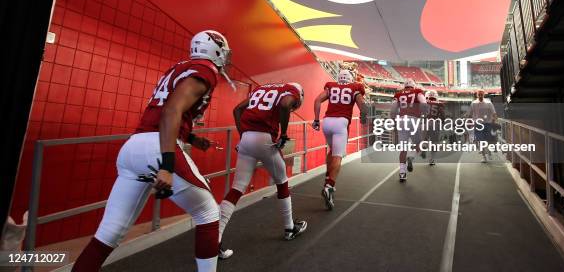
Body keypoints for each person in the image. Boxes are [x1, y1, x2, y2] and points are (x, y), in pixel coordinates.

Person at [73, 30, 234, 272]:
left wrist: (190, 137)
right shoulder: (205, 71)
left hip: (133, 147)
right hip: (157, 147)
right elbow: (170, 112)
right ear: (216, 50)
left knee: (109, 233)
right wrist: (167, 165)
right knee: (208, 212)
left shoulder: (180, 67)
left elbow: (164, 111)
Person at [218, 82, 307, 248]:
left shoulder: (262, 88)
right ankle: (289, 228)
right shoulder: (291, 91)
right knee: (282, 183)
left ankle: (215, 238)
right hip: (265, 140)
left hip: (246, 139)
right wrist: (284, 133)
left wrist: (244, 134)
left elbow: (237, 109)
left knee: (237, 188)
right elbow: (285, 104)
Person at [312, 70, 367, 210]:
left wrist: (316, 119)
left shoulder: (331, 86)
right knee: (338, 155)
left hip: (327, 121)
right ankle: (329, 186)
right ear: (350, 78)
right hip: (341, 122)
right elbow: (362, 105)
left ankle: (326, 178)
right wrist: (363, 117)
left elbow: (317, 100)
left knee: (332, 151)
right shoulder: (355, 87)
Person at [390, 79, 427, 182]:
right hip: (414, 119)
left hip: (402, 120)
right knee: (418, 144)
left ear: (404, 86)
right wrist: (424, 114)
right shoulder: (417, 91)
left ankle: (402, 173)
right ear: (413, 86)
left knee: (403, 149)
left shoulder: (398, 94)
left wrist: (393, 120)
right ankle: (411, 157)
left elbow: (393, 109)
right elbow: (423, 103)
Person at [466, 89, 498, 162]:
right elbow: (469, 114)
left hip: (488, 124)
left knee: (488, 140)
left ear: (484, 95)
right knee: (480, 140)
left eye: (481, 94)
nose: (480, 96)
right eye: (479, 94)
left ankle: (489, 152)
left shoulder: (489, 103)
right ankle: (484, 157)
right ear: (477, 95)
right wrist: (468, 121)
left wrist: (495, 120)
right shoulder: (473, 103)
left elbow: (494, 113)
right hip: (478, 124)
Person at [424, 90, 445, 166]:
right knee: (435, 142)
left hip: (426, 123)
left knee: (424, 139)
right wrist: (442, 122)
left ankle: (424, 146)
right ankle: (432, 159)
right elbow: (442, 115)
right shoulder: (439, 104)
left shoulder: (425, 103)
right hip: (435, 123)